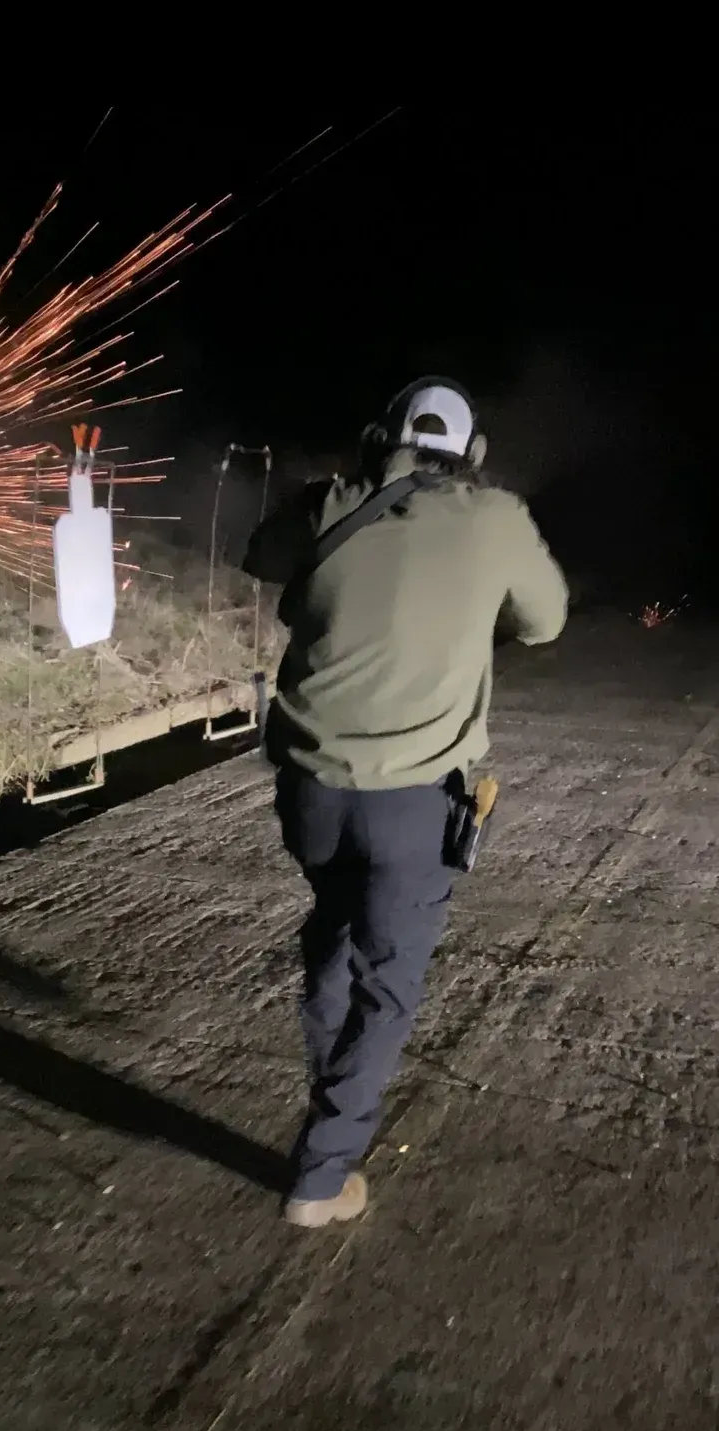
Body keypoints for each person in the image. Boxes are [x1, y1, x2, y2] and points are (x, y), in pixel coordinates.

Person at [243, 376, 568, 1228]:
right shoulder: (495, 519)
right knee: (388, 982)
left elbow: (262, 554)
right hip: (416, 801)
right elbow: (547, 622)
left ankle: (331, 1117)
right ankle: (322, 1173)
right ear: (474, 455)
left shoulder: (334, 504)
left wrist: (341, 492)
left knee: (333, 936)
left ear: (378, 436)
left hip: (312, 792)